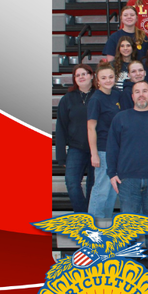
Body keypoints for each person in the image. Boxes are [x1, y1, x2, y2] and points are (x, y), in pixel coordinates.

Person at [106, 80, 148, 268]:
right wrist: (111, 173)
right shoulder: (120, 118)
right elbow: (112, 147)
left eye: (145, 91)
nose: (141, 95)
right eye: (137, 92)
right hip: (128, 179)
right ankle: (128, 260)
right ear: (132, 96)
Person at [56, 64, 96, 213]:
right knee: (72, 183)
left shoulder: (99, 96)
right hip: (76, 148)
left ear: (92, 76)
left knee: (93, 186)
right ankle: (83, 215)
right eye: (78, 75)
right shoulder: (67, 99)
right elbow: (61, 128)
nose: (81, 77)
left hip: (97, 149)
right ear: (74, 79)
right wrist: (61, 157)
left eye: (84, 74)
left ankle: (91, 217)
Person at [87, 62, 120, 220]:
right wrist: (94, 154)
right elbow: (91, 128)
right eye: (104, 78)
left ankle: (105, 224)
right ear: (97, 80)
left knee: (112, 191)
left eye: (111, 77)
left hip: (116, 150)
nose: (108, 80)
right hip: (103, 149)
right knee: (101, 189)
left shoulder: (116, 95)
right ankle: (93, 225)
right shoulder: (96, 99)